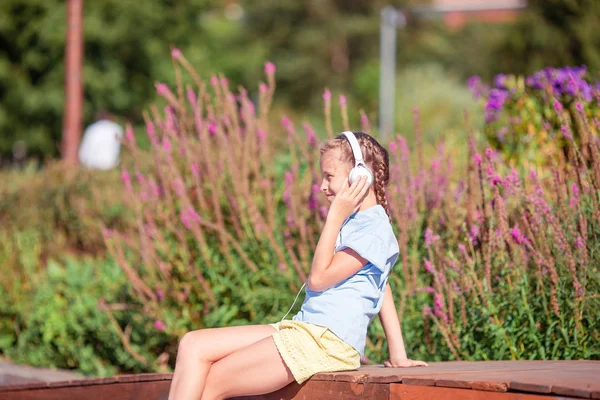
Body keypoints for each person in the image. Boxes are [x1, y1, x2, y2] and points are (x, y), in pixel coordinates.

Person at [168, 131, 427, 400]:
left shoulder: (372, 229)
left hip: (325, 342)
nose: (322, 186)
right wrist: (398, 354)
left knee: (212, 385)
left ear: (359, 176)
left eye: (329, 176)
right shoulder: (360, 223)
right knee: (192, 344)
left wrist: (335, 215)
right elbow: (381, 287)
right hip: (306, 330)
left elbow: (318, 279)